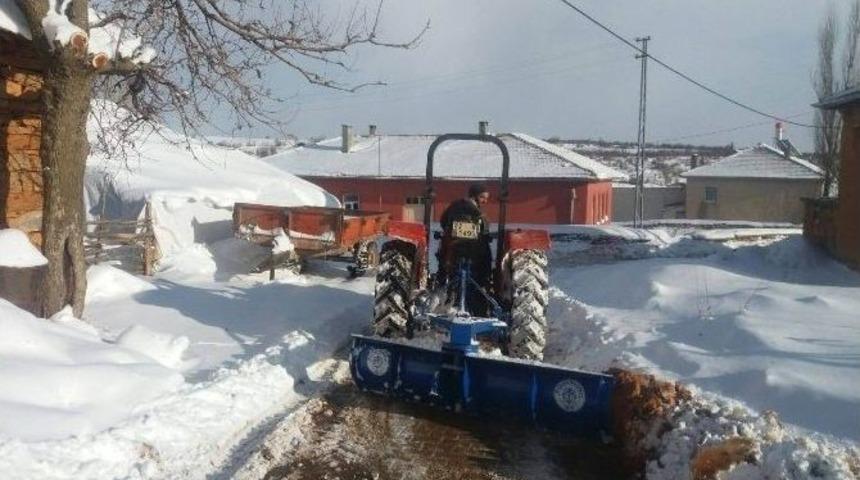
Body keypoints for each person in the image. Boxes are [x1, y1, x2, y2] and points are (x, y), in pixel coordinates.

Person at [438, 183, 493, 315]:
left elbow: (443, 221)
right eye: (483, 197)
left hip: (452, 254)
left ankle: (443, 286)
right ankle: (481, 304)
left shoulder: (454, 206)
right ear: (475, 196)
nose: (485, 201)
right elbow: (485, 229)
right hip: (473, 255)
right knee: (484, 260)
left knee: (445, 260)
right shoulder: (478, 212)